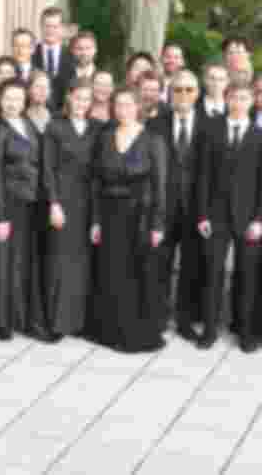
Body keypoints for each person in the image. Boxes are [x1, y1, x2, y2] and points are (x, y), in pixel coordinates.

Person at [87, 87, 167, 353]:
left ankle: (135, 330)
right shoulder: (105, 137)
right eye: (118, 105)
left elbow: (160, 185)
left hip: (140, 215)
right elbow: (95, 182)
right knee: (111, 271)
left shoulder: (153, 140)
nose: (123, 110)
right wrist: (96, 220)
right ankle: (111, 329)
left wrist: (158, 223)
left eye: (128, 105)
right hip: (110, 214)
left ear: (138, 107)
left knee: (137, 272)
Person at [196, 82, 262, 351]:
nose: (239, 102)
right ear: (227, 99)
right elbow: (202, 174)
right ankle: (209, 329)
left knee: (247, 276)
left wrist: (259, 219)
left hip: (248, 217)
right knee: (212, 273)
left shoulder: (261, 135)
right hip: (216, 215)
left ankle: (245, 332)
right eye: (234, 97)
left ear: (251, 101)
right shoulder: (211, 129)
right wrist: (202, 214)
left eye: (244, 97)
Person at [0, 80, 47, 341]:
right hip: (7, 204)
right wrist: (0, 216)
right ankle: (3, 322)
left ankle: (23, 318)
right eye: (8, 98)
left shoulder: (28, 124)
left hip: (29, 204)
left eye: (18, 99)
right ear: (0, 99)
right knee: (3, 264)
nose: (13, 104)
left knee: (23, 263)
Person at [42, 79, 100, 338]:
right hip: (63, 201)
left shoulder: (97, 128)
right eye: (78, 98)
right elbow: (47, 169)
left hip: (88, 202)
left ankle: (78, 322)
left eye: (86, 100)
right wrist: (53, 203)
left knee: (82, 263)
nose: (81, 104)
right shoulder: (55, 127)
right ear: (69, 98)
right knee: (59, 261)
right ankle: (56, 323)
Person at [149, 70, 205, 339]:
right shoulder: (155, 124)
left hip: (195, 208)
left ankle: (184, 320)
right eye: (178, 89)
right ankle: (158, 318)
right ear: (170, 93)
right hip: (164, 207)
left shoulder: (209, 125)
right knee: (160, 264)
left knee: (191, 267)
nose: (183, 94)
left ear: (197, 93)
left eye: (188, 89)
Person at [32, 6, 76, 110]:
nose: (50, 30)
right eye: (47, 26)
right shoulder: (31, 53)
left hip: (64, 114)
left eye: (55, 27)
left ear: (62, 28)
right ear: (41, 27)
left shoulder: (72, 56)